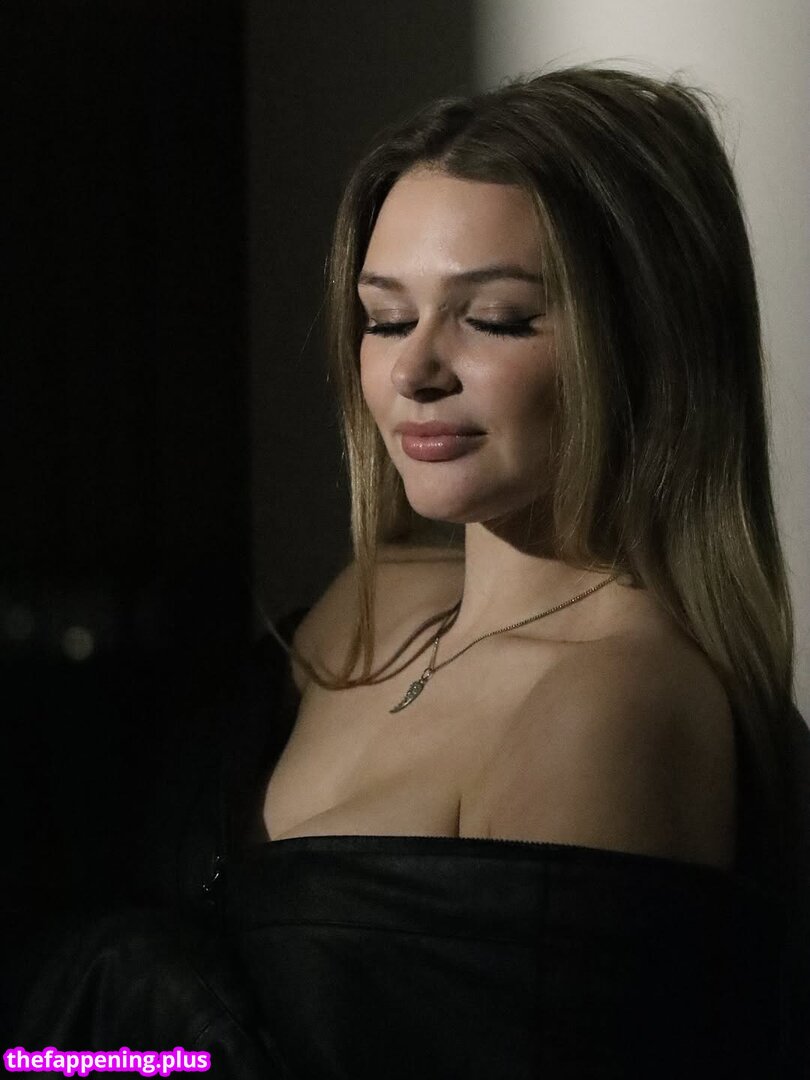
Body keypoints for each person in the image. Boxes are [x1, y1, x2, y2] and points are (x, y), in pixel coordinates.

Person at [10, 65, 810, 1078]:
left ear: (647, 341)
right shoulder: (367, 603)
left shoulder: (611, 707)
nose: (414, 371)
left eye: (497, 317)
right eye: (387, 319)